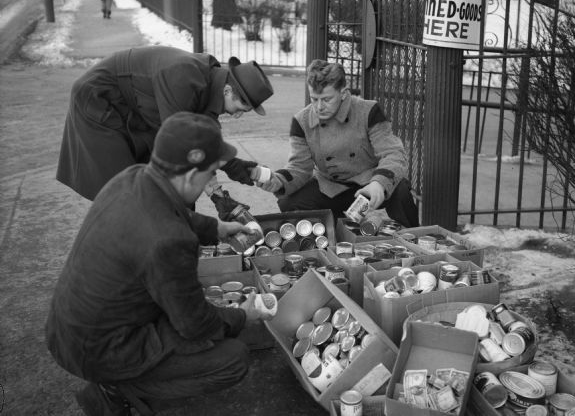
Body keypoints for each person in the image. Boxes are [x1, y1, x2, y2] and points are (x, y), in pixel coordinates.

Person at [46, 112, 273, 416]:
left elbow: (167, 211)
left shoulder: (133, 176)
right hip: (101, 350)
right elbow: (195, 326)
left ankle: (120, 380)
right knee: (233, 358)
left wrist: (216, 229)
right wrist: (243, 315)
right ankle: (117, 389)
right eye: (210, 173)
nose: (210, 181)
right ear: (192, 174)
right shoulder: (169, 241)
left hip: (69, 331)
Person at [56, 45, 273, 219]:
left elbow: (202, 141)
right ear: (228, 91)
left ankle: (181, 241)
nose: (236, 116)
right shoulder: (184, 77)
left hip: (133, 109)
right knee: (127, 192)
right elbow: (181, 144)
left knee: (170, 186)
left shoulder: (212, 84)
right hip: (100, 99)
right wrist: (220, 188)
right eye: (240, 109)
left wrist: (228, 176)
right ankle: (133, 254)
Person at [257, 59, 419, 228]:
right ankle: (328, 238)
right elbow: (299, 167)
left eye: (326, 99)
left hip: (368, 185)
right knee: (289, 202)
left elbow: (393, 153)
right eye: (314, 99)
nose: (319, 107)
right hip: (330, 188)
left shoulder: (368, 111)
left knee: (399, 189)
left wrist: (378, 183)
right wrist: (278, 181)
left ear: (343, 93)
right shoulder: (302, 121)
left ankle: (413, 238)